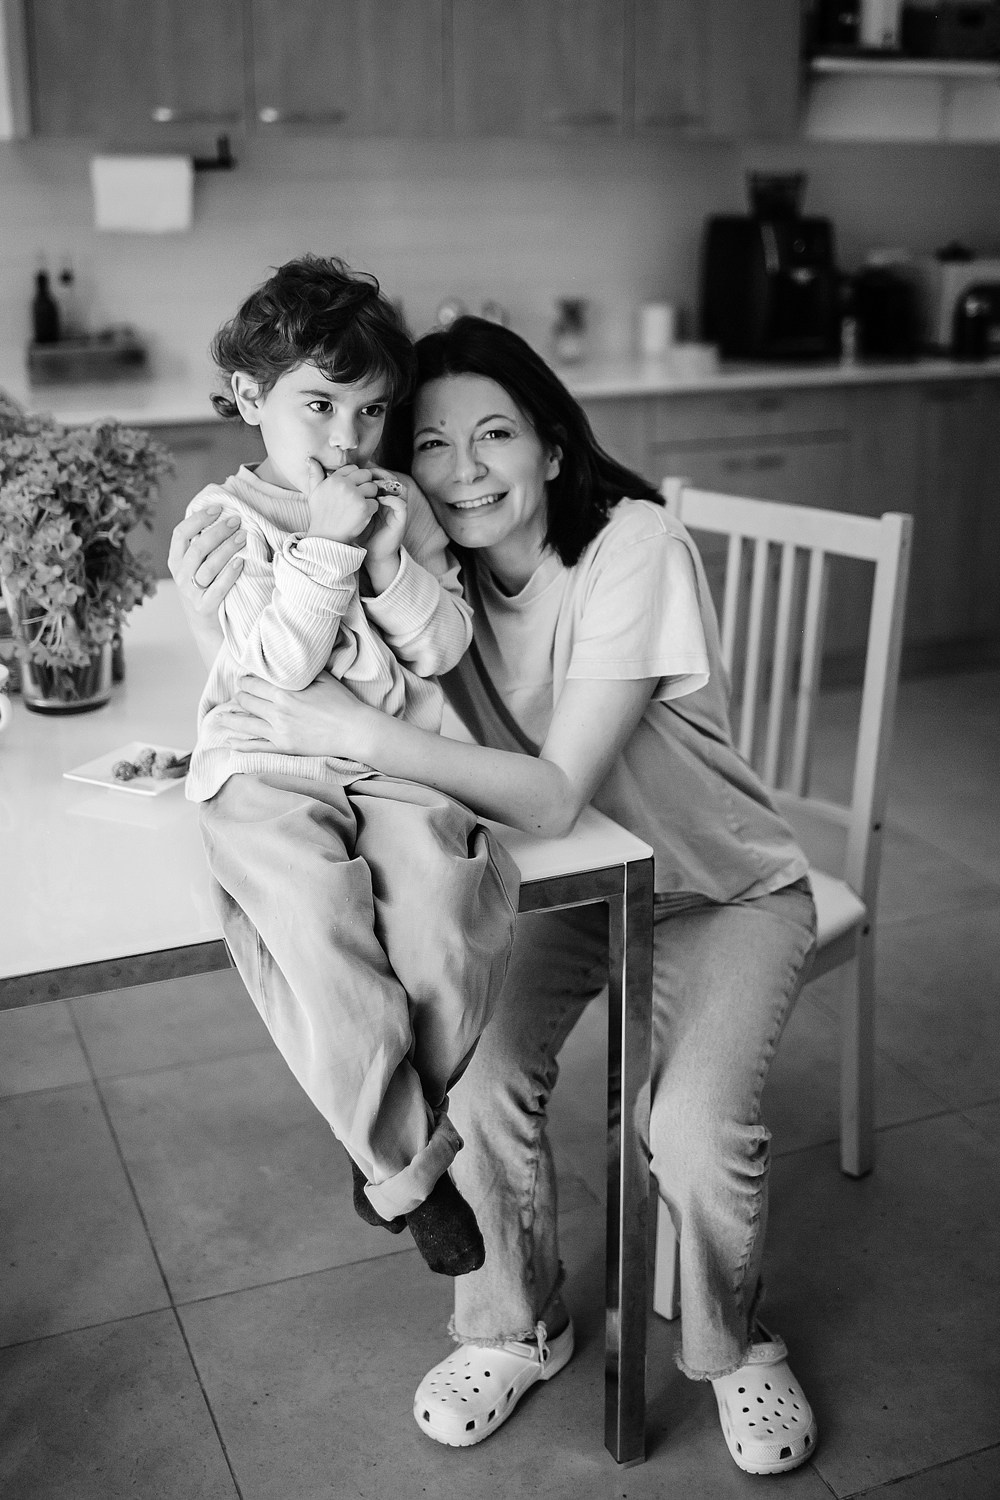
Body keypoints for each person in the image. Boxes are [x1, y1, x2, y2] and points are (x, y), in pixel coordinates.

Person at [170, 315, 819, 1477]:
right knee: (471, 1069)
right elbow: (280, 639)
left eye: (495, 435)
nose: (462, 468)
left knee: (692, 1129)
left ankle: (732, 1345)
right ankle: (512, 1323)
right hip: (574, 899)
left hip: (720, 889)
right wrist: (216, 593)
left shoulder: (633, 547)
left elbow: (556, 792)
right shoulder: (425, 572)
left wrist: (352, 729)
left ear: (553, 447)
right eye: (427, 441)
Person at [182, 262, 519, 1279]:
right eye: (317, 405)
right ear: (251, 397)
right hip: (264, 769)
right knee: (319, 929)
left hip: (384, 766)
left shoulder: (400, 505)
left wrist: (385, 560)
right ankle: (406, 1173)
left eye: (370, 411)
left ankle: (391, 1105)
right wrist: (325, 552)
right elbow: (278, 667)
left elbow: (446, 644)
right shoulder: (222, 521)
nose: (345, 439)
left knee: (449, 911)